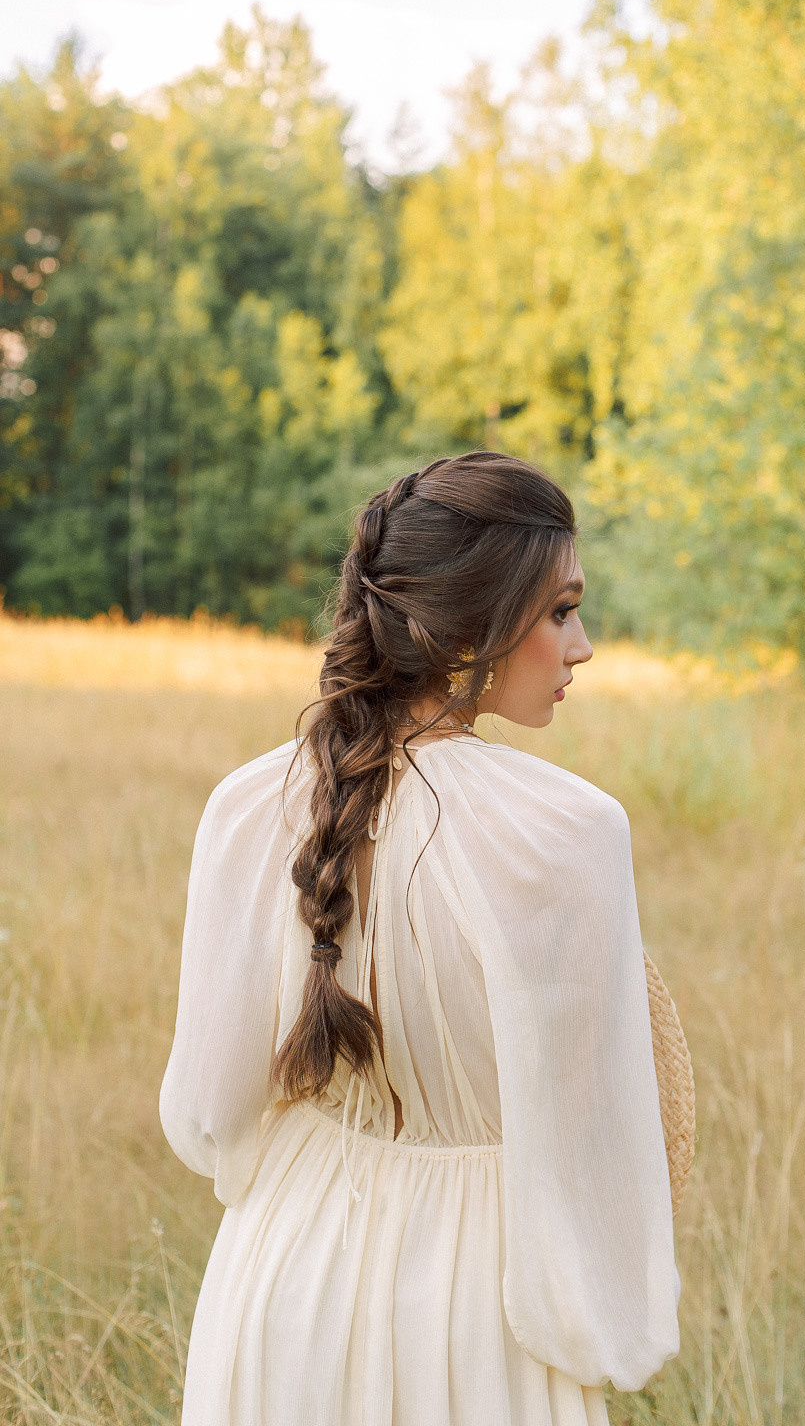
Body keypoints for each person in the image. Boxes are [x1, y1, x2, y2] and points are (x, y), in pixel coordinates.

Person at [160, 451, 680, 1426]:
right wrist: (605, 1333)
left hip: (278, 1288)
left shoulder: (247, 805)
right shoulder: (567, 833)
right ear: (472, 619)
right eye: (561, 611)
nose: (583, 647)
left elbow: (205, 1117)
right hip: (481, 1319)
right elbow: (587, 1158)